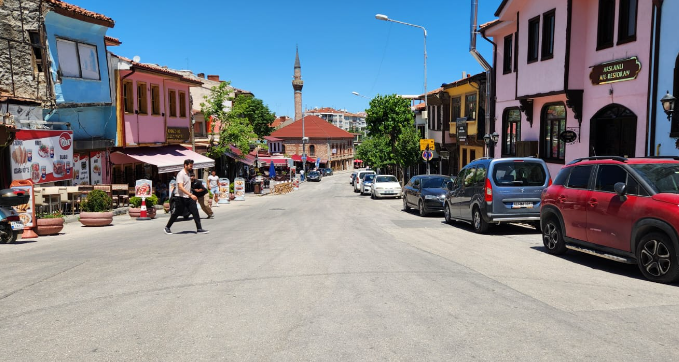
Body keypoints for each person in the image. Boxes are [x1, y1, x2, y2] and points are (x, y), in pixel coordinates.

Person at [164, 159, 208, 235]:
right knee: (177, 213)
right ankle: (167, 227)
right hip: (180, 197)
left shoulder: (188, 174)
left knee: (195, 211)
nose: (191, 167)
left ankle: (199, 228)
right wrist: (191, 195)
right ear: (185, 165)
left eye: (192, 166)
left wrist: (191, 194)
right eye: (190, 166)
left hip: (188, 197)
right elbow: (180, 187)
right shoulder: (181, 174)